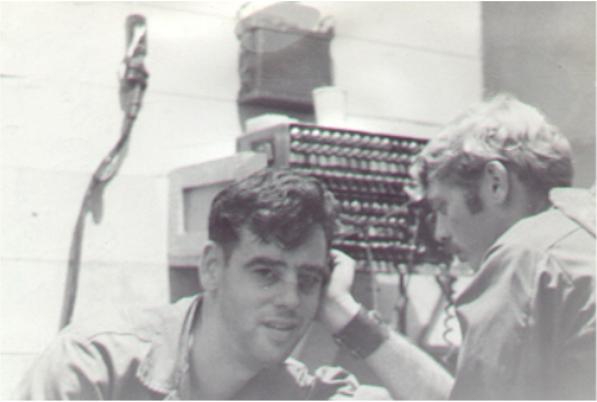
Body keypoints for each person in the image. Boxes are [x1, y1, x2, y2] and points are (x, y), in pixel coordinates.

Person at [14, 168, 388, 400]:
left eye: (308, 279)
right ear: (211, 268)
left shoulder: (303, 393)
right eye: (266, 273)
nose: (291, 299)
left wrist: (350, 318)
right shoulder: (94, 365)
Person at [319, 94, 596, 399]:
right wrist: (348, 315)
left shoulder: (527, 255)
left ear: (496, 182)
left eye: (442, 206)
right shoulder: (579, 239)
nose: (439, 233)